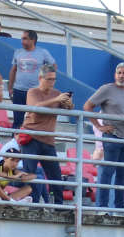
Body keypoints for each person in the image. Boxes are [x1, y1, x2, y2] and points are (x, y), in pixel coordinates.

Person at [84, 61, 124, 210]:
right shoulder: (107, 89)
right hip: (112, 136)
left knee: (122, 174)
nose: (121, 76)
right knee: (107, 173)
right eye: (119, 73)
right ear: (115, 75)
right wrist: (99, 126)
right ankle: (102, 208)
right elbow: (87, 106)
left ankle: (119, 208)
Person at [21, 65, 70, 206]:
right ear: (40, 78)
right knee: (29, 174)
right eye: (49, 79)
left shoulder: (57, 94)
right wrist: (56, 100)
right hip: (31, 138)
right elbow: (35, 107)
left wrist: (68, 103)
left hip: (48, 140)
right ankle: (30, 204)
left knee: (55, 175)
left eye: (54, 79)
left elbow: (69, 109)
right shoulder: (32, 92)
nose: (52, 82)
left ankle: (59, 207)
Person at [8, 30, 54, 130]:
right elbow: (13, 70)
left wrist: (46, 83)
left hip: (35, 92)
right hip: (19, 90)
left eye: (25, 38)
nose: (22, 41)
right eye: (22, 38)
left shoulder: (43, 53)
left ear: (32, 40)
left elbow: (53, 66)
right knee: (17, 121)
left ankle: (32, 139)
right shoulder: (18, 52)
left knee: (35, 120)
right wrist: (10, 88)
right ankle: (15, 139)